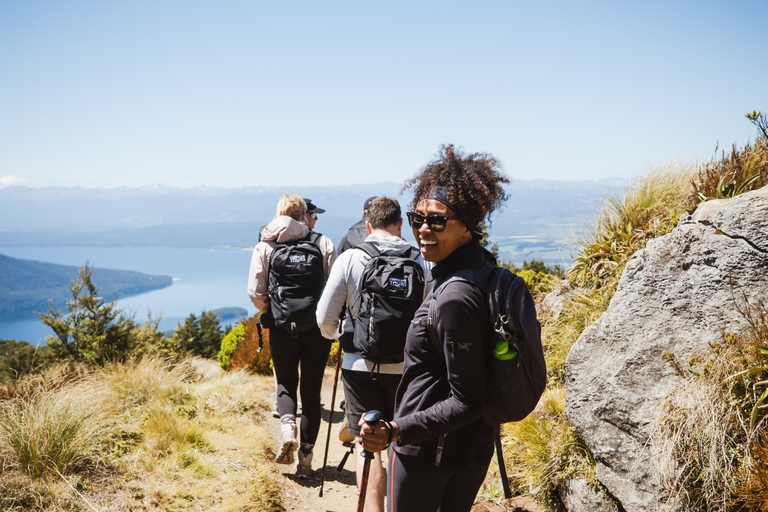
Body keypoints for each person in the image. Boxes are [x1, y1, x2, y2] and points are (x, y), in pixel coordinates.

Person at [359, 144, 510, 512]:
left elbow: (466, 400)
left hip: (429, 453)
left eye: (437, 221)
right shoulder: (484, 273)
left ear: (466, 226)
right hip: (471, 448)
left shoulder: (455, 294)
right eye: (416, 218)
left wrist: (395, 431)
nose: (423, 229)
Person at [315, 197, 431, 512]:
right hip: (408, 368)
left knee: (368, 446)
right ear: (400, 225)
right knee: (399, 441)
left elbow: (324, 318)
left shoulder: (350, 259)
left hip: (359, 365)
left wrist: (341, 334)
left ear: (368, 225)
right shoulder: (421, 260)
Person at [247, 194, 337, 478]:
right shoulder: (322, 243)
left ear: (278, 214)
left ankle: (287, 425)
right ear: (304, 215)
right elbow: (335, 289)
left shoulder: (265, 246)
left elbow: (255, 292)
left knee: (285, 383)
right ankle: (306, 461)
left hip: (281, 327)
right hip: (317, 329)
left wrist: (273, 309)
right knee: (311, 392)